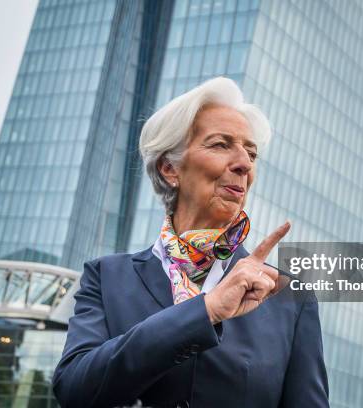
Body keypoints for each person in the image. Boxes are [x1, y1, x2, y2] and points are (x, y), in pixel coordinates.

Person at [52, 77, 329, 408]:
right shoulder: (106, 277)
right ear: (170, 168)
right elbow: (74, 389)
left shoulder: (286, 296)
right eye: (220, 144)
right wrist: (207, 310)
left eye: (250, 152)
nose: (244, 164)